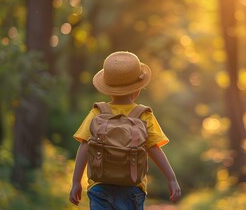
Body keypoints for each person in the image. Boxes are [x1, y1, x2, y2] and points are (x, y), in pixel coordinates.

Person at [69, 51, 181, 209]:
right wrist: (171, 178)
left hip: (100, 186)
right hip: (132, 189)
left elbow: (85, 146)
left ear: (107, 87)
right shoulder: (144, 115)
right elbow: (154, 149)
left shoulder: (97, 112)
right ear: (138, 89)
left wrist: (76, 182)